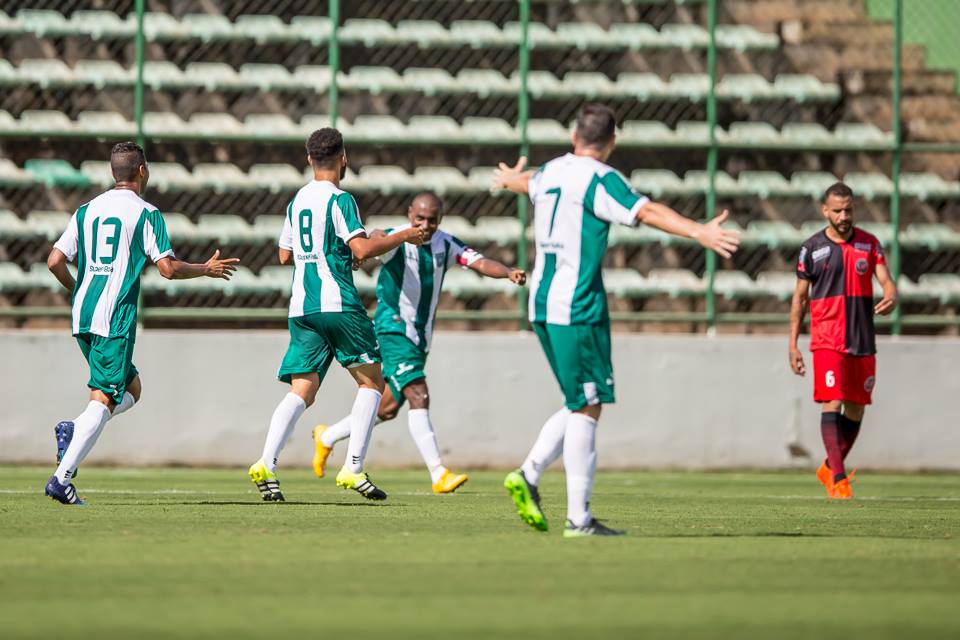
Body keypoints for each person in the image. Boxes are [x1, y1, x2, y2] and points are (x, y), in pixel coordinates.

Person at [491, 103, 740, 536]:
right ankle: (576, 517)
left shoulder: (550, 172)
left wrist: (510, 179)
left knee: (579, 400)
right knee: (589, 406)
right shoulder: (601, 178)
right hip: (577, 304)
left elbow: (528, 183)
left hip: (542, 303)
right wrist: (698, 230)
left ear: (573, 137)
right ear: (612, 142)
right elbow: (645, 210)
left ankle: (531, 475)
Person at [45, 141, 239, 505]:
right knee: (103, 399)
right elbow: (167, 268)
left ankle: (74, 428)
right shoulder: (146, 213)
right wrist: (206, 269)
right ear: (142, 170)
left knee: (131, 388)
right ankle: (62, 478)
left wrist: (78, 289)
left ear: (112, 172)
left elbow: (55, 260)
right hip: (113, 317)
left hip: (83, 315)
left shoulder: (87, 210)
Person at [248, 128, 425, 502]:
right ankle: (353, 468)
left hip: (302, 306)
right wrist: (404, 234)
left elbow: (284, 254)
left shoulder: (297, 201)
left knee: (302, 391)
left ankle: (266, 462)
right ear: (343, 158)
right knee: (371, 383)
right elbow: (363, 245)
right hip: (339, 304)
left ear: (308, 158)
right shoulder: (341, 200)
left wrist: (333, 254)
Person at [311, 192, 526, 493]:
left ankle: (327, 436)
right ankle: (438, 472)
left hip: (420, 336)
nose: (425, 225)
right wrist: (367, 249)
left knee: (386, 408)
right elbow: (373, 240)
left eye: (432, 220)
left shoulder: (445, 243)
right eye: (420, 218)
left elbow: (478, 262)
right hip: (393, 328)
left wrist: (507, 273)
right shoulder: (397, 238)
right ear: (410, 213)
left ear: (440, 219)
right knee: (418, 394)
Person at [789, 182, 898, 500]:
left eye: (848, 209)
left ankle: (829, 466)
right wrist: (793, 344)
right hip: (827, 337)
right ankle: (838, 478)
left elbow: (886, 280)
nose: (844, 215)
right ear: (825, 211)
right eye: (837, 210)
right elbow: (799, 299)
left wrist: (891, 295)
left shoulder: (869, 243)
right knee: (832, 401)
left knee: (856, 408)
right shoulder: (811, 248)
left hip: (862, 337)